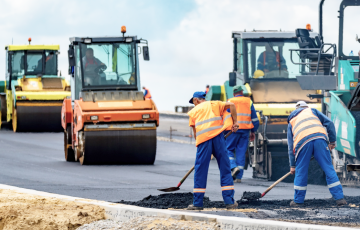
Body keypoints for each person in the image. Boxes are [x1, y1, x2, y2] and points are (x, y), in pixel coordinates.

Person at [287, 101, 347, 206]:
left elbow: (290, 145)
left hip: (302, 143)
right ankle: (340, 199)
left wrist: (293, 165)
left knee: (301, 171)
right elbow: (330, 123)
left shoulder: (292, 120)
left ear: (296, 109)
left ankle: (298, 201)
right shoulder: (312, 111)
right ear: (306, 107)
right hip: (320, 139)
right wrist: (332, 141)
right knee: (329, 169)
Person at [187, 91, 239, 210]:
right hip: (219, 139)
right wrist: (235, 122)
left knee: (200, 170)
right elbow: (231, 105)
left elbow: (196, 134)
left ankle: (198, 203)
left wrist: (204, 151)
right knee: (225, 169)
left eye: (193, 102)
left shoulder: (193, 112)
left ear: (196, 100)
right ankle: (229, 202)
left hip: (204, 141)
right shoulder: (215, 104)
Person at [223, 85, 259, 183]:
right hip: (245, 131)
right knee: (241, 153)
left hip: (232, 130)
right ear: (242, 92)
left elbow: (225, 117)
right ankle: (238, 177)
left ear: (234, 93)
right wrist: (253, 131)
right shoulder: (249, 101)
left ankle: (233, 167)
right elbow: (255, 119)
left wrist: (223, 130)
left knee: (227, 149)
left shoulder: (230, 101)